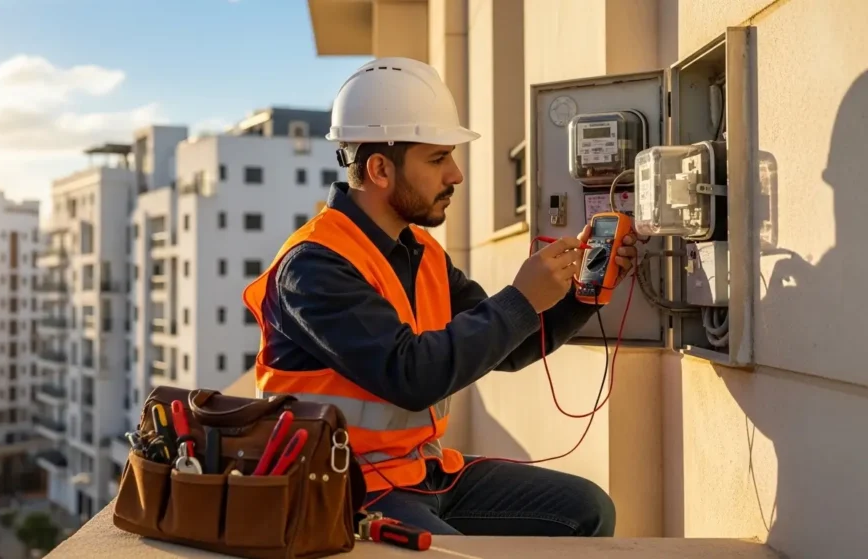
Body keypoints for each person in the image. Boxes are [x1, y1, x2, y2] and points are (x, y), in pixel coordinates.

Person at [241, 57, 637, 537]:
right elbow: (411, 375)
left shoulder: (421, 252)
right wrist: (520, 298)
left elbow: (509, 349)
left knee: (587, 511)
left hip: (423, 472)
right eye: (437, 159)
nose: (456, 174)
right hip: (345, 487)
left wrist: (584, 293)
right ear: (380, 169)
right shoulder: (312, 267)